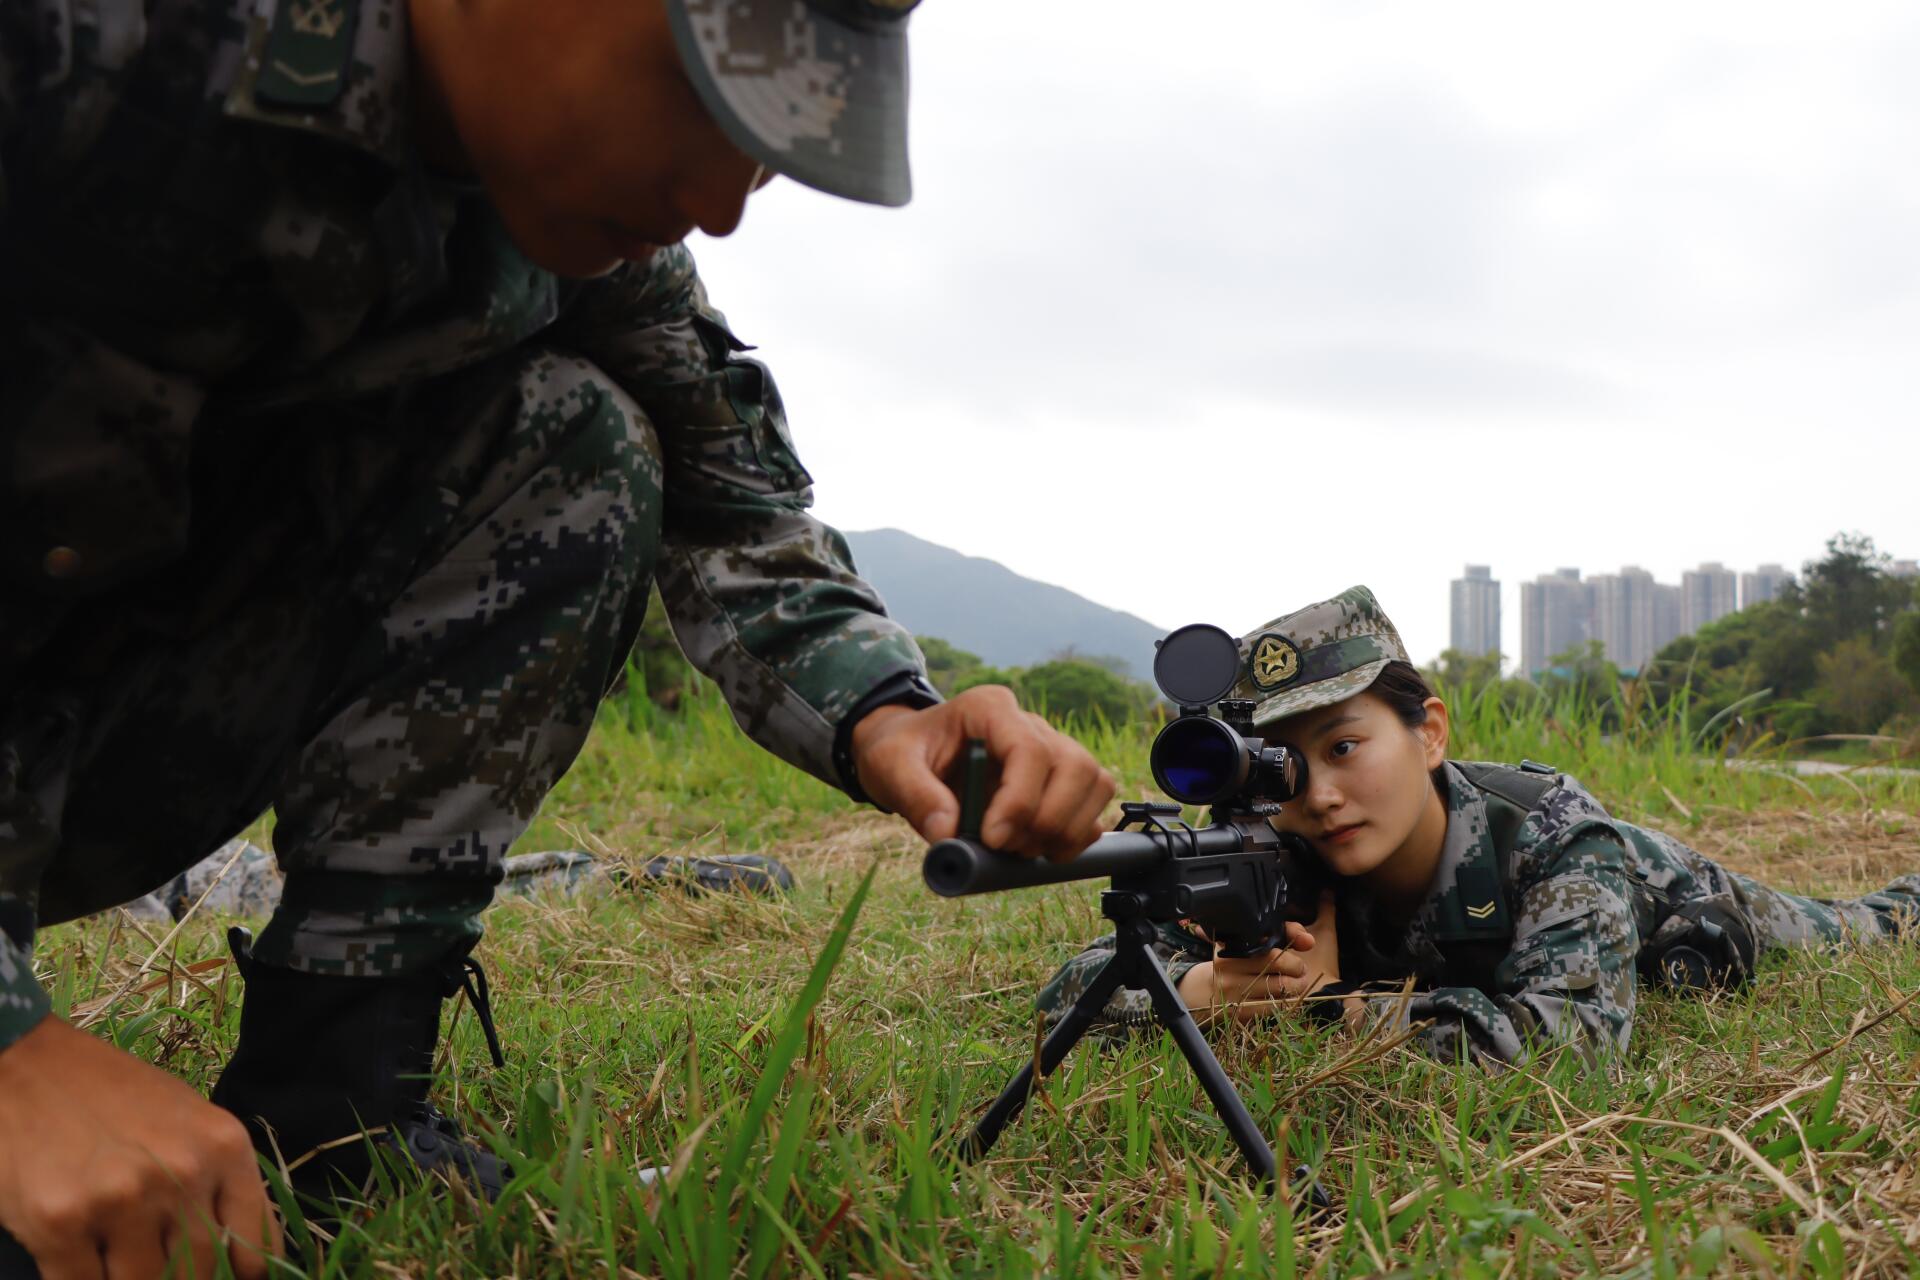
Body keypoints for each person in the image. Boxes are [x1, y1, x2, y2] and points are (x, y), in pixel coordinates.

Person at [0, 0, 1116, 1273]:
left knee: (579, 435)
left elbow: (725, 486)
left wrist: (889, 711)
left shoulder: (537, 210)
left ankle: (337, 1103)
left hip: (96, 743)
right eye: (702, 88)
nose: (720, 197)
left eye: (765, 147)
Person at [1038, 586, 1920, 1068]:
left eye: (1345, 745)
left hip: (1671, 891)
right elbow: (1073, 987)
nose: (1320, 794)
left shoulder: (1550, 830)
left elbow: (1573, 1044)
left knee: (1859, 925)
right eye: (1284, 768)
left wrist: (1328, 1016)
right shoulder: (1259, 842)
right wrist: (1198, 995)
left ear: (1429, 731)